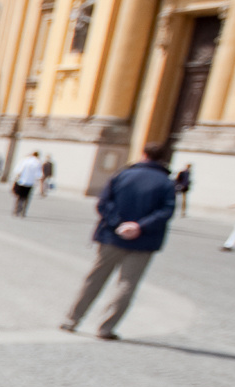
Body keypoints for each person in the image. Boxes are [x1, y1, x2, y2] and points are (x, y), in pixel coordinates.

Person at [62, 141, 178, 339]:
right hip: (144, 240)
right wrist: (139, 226)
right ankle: (106, 328)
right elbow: (166, 211)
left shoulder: (122, 175)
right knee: (127, 284)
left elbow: (104, 203)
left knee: (95, 279)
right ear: (164, 158)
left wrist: (118, 224)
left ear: (143, 154)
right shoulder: (166, 183)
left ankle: (72, 320)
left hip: (111, 236)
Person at [12, 151, 41, 217]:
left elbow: (18, 170)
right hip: (30, 183)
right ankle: (23, 211)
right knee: (26, 197)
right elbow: (38, 174)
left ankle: (17, 210)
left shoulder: (25, 160)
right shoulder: (38, 162)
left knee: (19, 197)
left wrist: (17, 177)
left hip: (21, 181)